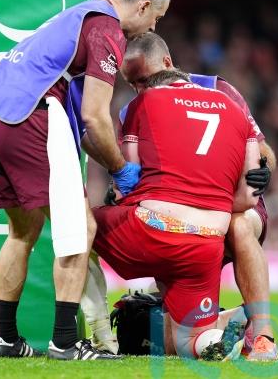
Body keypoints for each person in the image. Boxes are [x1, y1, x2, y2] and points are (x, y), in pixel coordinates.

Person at [0, 0, 170, 360]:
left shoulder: (77, 16)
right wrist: (120, 169)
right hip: (31, 118)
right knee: (81, 228)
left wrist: (111, 163)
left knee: (22, 230)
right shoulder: (106, 28)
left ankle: (6, 339)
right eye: (156, 18)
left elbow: (83, 128)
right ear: (143, 5)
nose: (152, 27)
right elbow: (95, 116)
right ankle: (64, 342)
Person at [118, 32, 278, 360]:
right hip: (180, 218)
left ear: (166, 63)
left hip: (232, 206)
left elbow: (264, 152)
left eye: (143, 80)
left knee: (238, 226)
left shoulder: (219, 90)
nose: (139, 89)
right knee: (177, 345)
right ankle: (233, 320)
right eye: (131, 83)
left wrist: (264, 169)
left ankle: (263, 337)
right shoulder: (133, 110)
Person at [93, 68, 261, 358]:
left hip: (151, 231)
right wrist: (210, 204)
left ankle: (95, 337)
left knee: (78, 228)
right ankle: (235, 323)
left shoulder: (145, 102)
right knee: (188, 344)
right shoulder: (236, 109)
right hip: (207, 242)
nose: (136, 88)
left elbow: (128, 184)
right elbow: (248, 196)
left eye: (138, 83)